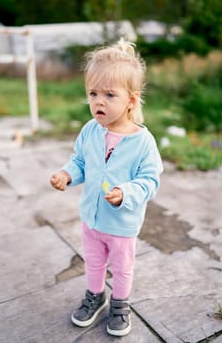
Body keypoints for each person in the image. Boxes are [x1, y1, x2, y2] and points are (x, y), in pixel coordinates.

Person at [50, 38, 163, 337]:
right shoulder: (91, 130)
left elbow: (150, 180)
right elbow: (80, 161)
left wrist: (126, 194)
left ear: (131, 100)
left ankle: (120, 303)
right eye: (93, 93)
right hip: (92, 219)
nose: (98, 101)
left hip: (122, 224)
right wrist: (67, 174)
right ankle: (95, 295)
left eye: (109, 94)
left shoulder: (142, 142)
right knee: (94, 263)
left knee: (123, 268)